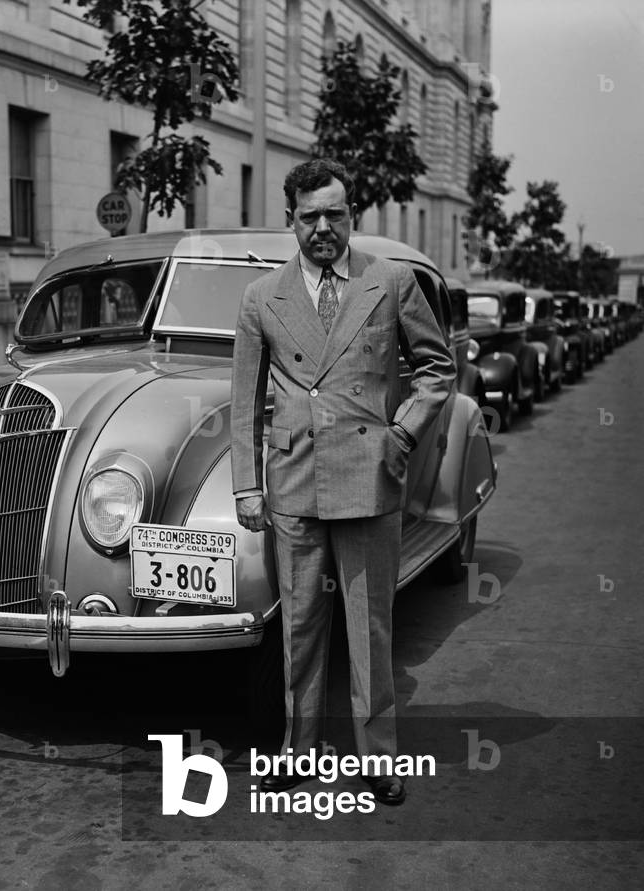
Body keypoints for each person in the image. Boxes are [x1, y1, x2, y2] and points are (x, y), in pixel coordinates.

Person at [230, 158, 456, 805]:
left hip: (368, 478)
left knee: (371, 625)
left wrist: (402, 432)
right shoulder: (260, 298)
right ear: (289, 221)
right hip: (294, 482)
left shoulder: (389, 282)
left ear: (351, 214)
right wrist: (247, 484)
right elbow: (243, 397)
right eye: (310, 217)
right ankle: (296, 749)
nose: (323, 228)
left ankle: (377, 756)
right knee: (299, 626)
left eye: (335, 213)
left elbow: (437, 369)